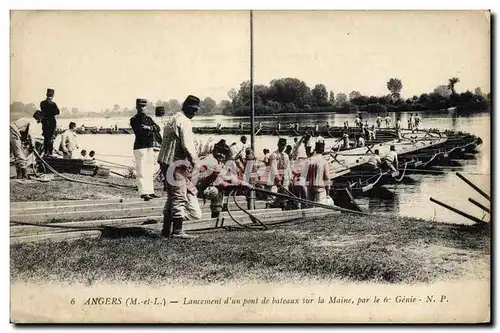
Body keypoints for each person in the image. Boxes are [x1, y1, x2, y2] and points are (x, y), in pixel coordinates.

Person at [157, 95, 202, 239]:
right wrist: (196, 162)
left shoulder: (173, 118)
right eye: (193, 109)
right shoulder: (184, 122)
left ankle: (165, 230)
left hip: (165, 162)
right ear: (186, 107)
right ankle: (177, 231)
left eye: (196, 110)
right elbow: (188, 145)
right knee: (179, 196)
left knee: (171, 196)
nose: (195, 113)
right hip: (175, 164)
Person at [193, 139, 253, 218]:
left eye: (224, 153)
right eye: (219, 152)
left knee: (218, 189)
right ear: (214, 150)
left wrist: (242, 184)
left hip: (202, 185)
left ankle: (215, 215)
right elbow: (222, 183)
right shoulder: (211, 161)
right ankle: (215, 216)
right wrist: (240, 185)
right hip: (195, 187)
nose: (221, 155)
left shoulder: (218, 162)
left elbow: (228, 177)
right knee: (218, 190)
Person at [130, 98, 162, 201]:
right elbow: (139, 131)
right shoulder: (134, 119)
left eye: (144, 106)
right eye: (140, 106)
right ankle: (143, 192)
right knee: (141, 171)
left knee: (149, 170)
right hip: (140, 147)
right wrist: (150, 129)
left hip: (149, 146)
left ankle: (150, 191)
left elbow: (158, 128)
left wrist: (149, 128)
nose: (142, 108)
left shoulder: (148, 119)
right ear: (137, 108)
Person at [10, 111, 43, 179]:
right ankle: (24, 176)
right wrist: (33, 145)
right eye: (41, 118)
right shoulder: (33, 121)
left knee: (16, 155)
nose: (41, 120)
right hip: (13, 132)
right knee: (21, 155)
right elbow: (30, 134)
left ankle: (19, 175)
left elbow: (23, 132)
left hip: (11, 131)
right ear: (39, 118)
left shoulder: (27, 119)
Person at [304, 139, 332, 205]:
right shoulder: (324, 161)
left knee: (309, 208)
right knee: (320, 207)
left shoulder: (308, 160)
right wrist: (328, 189)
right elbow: (327, 177)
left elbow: (303, 176)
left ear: (315, 149)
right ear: (323, 150)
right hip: (320, 188)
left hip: (309, 188)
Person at [266, 138, 291, 208]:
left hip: (284, 176)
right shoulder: (274, 155)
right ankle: (267, 208)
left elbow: (288, 168)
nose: (282, 146)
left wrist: (289, 178)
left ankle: (284, 208)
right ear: (278, 145)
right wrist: (278, 179)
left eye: (284, 145)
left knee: (285, 193)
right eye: (281, 145)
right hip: (275, 176)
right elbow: (273, 167)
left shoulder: (286, 156)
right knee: (273, 192)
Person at [40, 88, 60, 156]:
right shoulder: (53, 104)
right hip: (51, 122)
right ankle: (50, 153)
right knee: (51, 137)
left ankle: (45, 152)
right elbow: (57, 112)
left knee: (46, 137)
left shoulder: (42, 103)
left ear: (47, 95)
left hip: (45, 122)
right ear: (52, 96)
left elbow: (43, 111)